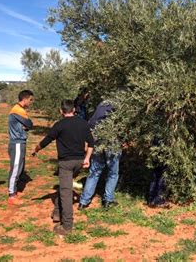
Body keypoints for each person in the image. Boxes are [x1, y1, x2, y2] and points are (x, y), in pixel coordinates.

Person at [32, 100, 94, 236]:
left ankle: (67, 226)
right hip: (79, 162)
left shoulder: (59, 125)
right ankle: (57, 213)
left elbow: (47, 140)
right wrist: (87, 159)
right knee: (64, 187)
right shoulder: (83, 123)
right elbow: (91, 142)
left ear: (61, 111)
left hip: (66, 163)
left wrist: (36, 149)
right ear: (74, 110)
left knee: (66, 193)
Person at [78, 100, 121, 210]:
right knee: (113, 173)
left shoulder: (102, 104)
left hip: (97, 141)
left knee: (94, 172)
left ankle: (83, 202)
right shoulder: (121, 105)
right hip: (112, 142)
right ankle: (108, 200)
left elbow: (90, 123)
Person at [7, 90, 34, 205]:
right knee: (16, 168)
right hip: (17, 143)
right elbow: (30, 124)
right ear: (25, 99)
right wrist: (26, 125)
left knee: (19, 166)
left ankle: (14, 190)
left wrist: (25, 126)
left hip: (19, 142)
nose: (31, 102)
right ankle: (12, 195)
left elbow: (26, 126)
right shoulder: (18, 110)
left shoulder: (18, 110)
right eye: (30, 100)